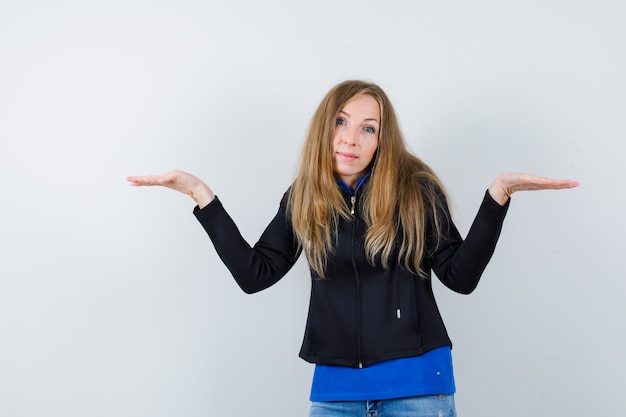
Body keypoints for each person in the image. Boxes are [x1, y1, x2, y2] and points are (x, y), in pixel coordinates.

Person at [127, 80, 578, 417]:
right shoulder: (304, 196)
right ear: (326, 127)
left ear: (382, 140)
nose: (351, 138)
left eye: (368, 128)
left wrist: (498, 196)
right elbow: (254, 274)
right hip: (335, 393)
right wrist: (201, 196)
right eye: (342, 122)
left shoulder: (414, 190)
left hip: (419, 389)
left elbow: (460, 277)